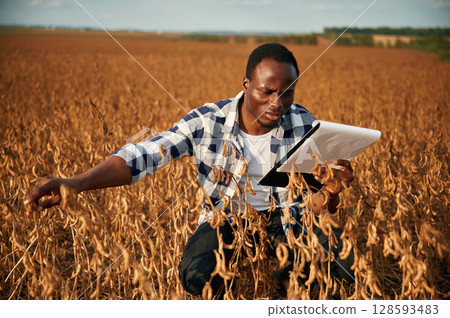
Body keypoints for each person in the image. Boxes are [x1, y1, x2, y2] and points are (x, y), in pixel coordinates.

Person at [24, 43, 355, 298]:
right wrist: (74, 183)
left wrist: (330, 191)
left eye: (287, 92)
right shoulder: (207, 121)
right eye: (267, 91)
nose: (278, 102)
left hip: (285, 218)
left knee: (340, 268)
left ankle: (288, 284)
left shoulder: (303, 123)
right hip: (224, 216)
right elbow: (143, 156)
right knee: (196, 275)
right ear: (245, 83)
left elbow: (316, 202)